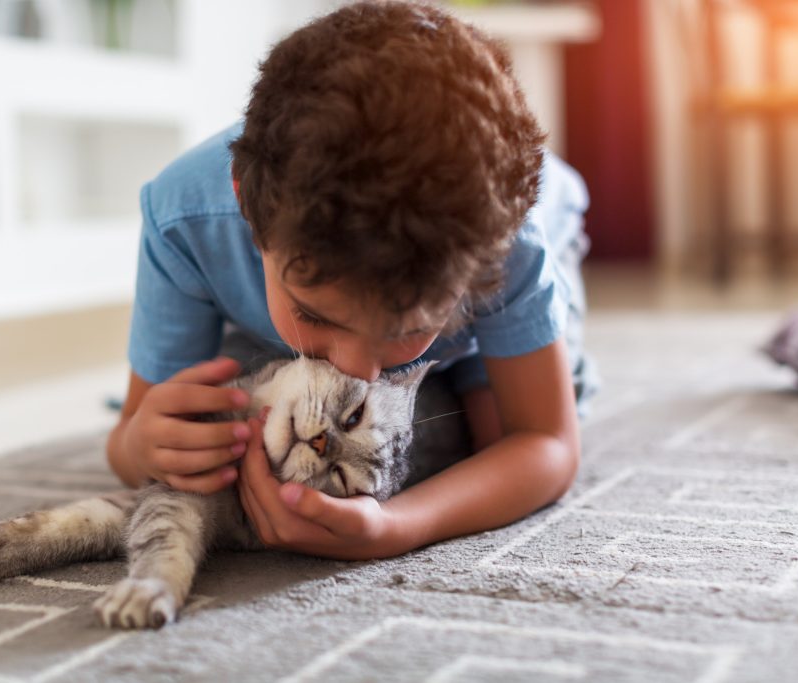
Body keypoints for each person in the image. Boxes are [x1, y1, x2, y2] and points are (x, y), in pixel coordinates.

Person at [106, 0, 598, 561]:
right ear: (246, 207)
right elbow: (130, 439)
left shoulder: (503, 246)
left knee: (482, 425)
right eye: (315, 315)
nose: (358, 369)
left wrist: (398, 525)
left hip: (541, 222)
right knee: (230, 402)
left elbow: (546, 442)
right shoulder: (184, 220)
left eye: (408, 327)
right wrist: (143, 446)